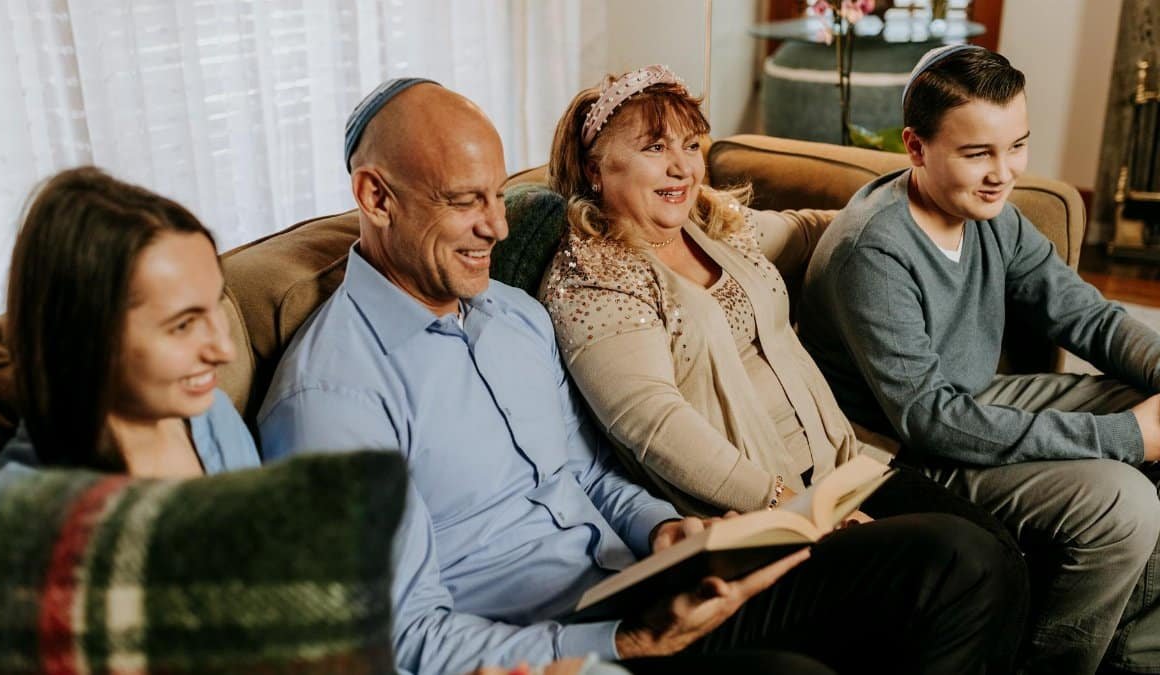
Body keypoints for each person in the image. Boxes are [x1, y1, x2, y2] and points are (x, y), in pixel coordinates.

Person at [258, 77, 1012, 675]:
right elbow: (408, 639)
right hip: (558, 648)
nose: (499, 225)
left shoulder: (512, 317)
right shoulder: (331, 398)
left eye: (497, 194)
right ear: (375, 197)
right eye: (465, 202)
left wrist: (666, 527)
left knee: (959, 557)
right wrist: (623, 644)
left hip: (643, 585)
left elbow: (589, 475)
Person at [540, 63, 1028, 672]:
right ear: (593, 167)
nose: (682, 167)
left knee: (1003, 551)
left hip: (845, 469)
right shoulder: (596, 278)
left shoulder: (707, 228)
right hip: (760, 517)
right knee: (964, 560)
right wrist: (784, 504)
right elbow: (654, 423)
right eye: (653, 149)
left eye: (691, 146)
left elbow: (803, 230)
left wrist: (902, 211)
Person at [797, 45, 1160, 675]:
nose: (1004, 172)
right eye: (977, 154)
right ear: (916, 147)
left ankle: (1132, 659)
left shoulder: (994, 216)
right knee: (1121, 501)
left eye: (1015, 145)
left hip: (974, 404)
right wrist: (1127, 436)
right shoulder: (873, 252)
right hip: (895, 454)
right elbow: (929, 420)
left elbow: (1089, 318)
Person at [0, 166, 258, 477]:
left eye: (216, 304)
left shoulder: (213, 412)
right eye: (183, 325)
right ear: (86, 338)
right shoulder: (29, 506)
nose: (226, 351)